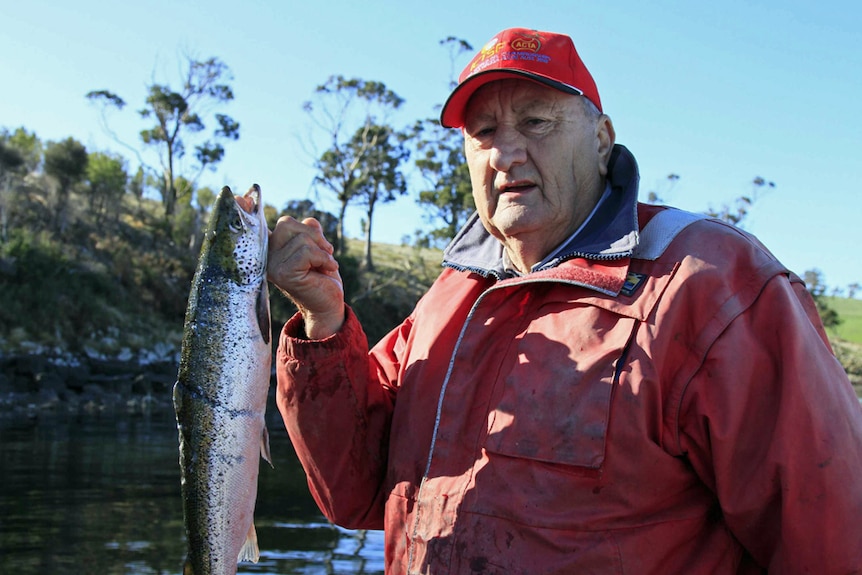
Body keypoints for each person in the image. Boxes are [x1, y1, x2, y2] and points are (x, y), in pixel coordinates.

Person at [267, 27, 862, 574]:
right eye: (484, 133)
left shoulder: (711, 283)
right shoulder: (450, 299)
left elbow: (831, 538)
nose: (505, 153)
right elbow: (356, 488)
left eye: (536, 122)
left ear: (602, 139)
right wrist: (324, 320)